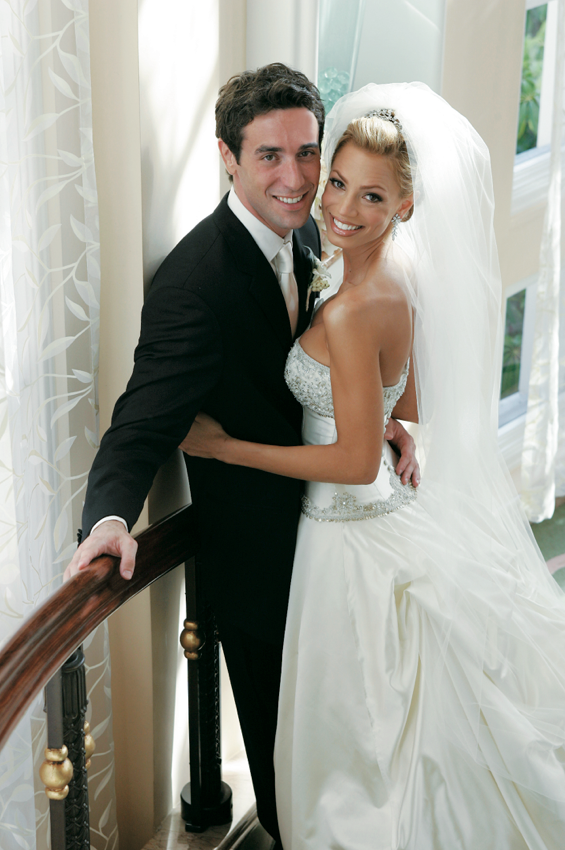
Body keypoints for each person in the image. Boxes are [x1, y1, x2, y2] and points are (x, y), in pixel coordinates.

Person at [181, 82, 565, 849]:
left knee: (362, 743)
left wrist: (224, 447)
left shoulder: (353, 307)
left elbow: (354, 465)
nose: (341, 206)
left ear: (405, 206)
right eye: (337, 182)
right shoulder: (395, 274)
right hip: (392, 514)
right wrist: (389, 422)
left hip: (346, 534)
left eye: (371, 195)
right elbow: (409, 393)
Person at [65, 66, 419, 847]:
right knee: (291, 780)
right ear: (227, 157)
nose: (294, 180)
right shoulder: (195, 283)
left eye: (305, 153)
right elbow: (140, 422)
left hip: (344, 553)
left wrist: (385, 420)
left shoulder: (319, 237)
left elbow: (333, 373)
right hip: (262, 576)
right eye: (268, 157)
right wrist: (109, 519)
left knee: (373, 752)